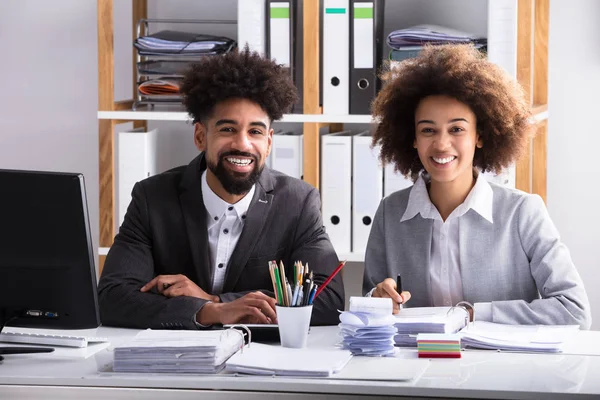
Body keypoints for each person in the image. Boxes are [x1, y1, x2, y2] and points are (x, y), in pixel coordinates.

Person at [98, 47, 344, 329]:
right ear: (201, 136)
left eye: (255, 131)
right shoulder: (152, 198)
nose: (242, 144)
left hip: (260, 361)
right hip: (175, 360)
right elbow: (111, 298)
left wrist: (217, 300)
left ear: (269, 141)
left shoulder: (298, 202)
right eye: (227, 129)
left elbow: (329, 300)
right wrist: (209, 312)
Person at [363, 44, 591, 329]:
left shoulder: (522, 212)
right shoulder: (390, 213)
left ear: (479, 136)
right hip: (419, 367)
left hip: (500, 369)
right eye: (428, 130)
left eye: (457, 129)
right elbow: (367, 304)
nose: (442, 144)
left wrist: (472, 315)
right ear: (412, 138)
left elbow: (574, 311)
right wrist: (377, 298)